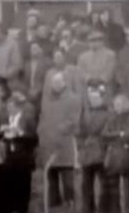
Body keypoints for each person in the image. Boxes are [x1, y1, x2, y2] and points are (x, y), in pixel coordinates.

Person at [38, 72, 83, 209]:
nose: (55, 85)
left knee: (68, 179)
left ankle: (71, 206)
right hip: (49, 145)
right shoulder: (47, 100)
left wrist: (57, 130)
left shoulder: (74, 99)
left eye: (58, 81)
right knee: (51, 180)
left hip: (65, 144)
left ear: (65, 82)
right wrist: (42, 132)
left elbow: (73, 121)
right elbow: (43, 119)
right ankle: (53, 206)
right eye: (53, 82)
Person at [0, 92, 38, 213]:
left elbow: (34, 139)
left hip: (22, 160)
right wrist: (1, 132)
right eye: (8, 106)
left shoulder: (28, 120)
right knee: (5, 190)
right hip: (7, 159)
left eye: (11, 106)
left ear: (19, 107)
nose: (8, 109)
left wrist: (19, 133)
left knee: (21, 191)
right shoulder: (4, 119)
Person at [77, 80, 111, 213]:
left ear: (101, 98)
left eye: (96, 97)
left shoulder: (108, 114)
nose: (93, 100)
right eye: (91, 97)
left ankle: (104, 208)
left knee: (105, 184)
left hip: (102, 152)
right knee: (86, 184)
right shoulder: (84, 114)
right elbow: (79, 132)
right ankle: (88, 209)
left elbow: (108, 131)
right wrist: (81, 146)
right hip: (87, 153)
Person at [102, 94, 129, 213]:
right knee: (114, 189)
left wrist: (117, 135)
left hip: (126, 155)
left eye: (119, 104)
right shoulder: (112, 119)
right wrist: (119, 134)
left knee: (128, 188)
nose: (117, 107)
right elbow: (104, 134)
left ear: (125, 105)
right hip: (113, 156)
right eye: (115, 105)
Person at [22, 41, 51, 118]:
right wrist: (28, 91)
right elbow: (25, 81)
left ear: (40, 50)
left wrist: (37, 90)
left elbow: (48, 80)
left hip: (42, 94)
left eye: (35, 48)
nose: (33, 50)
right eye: (32, 49)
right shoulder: (26, 64)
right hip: (29, 93)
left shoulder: (47, 63)